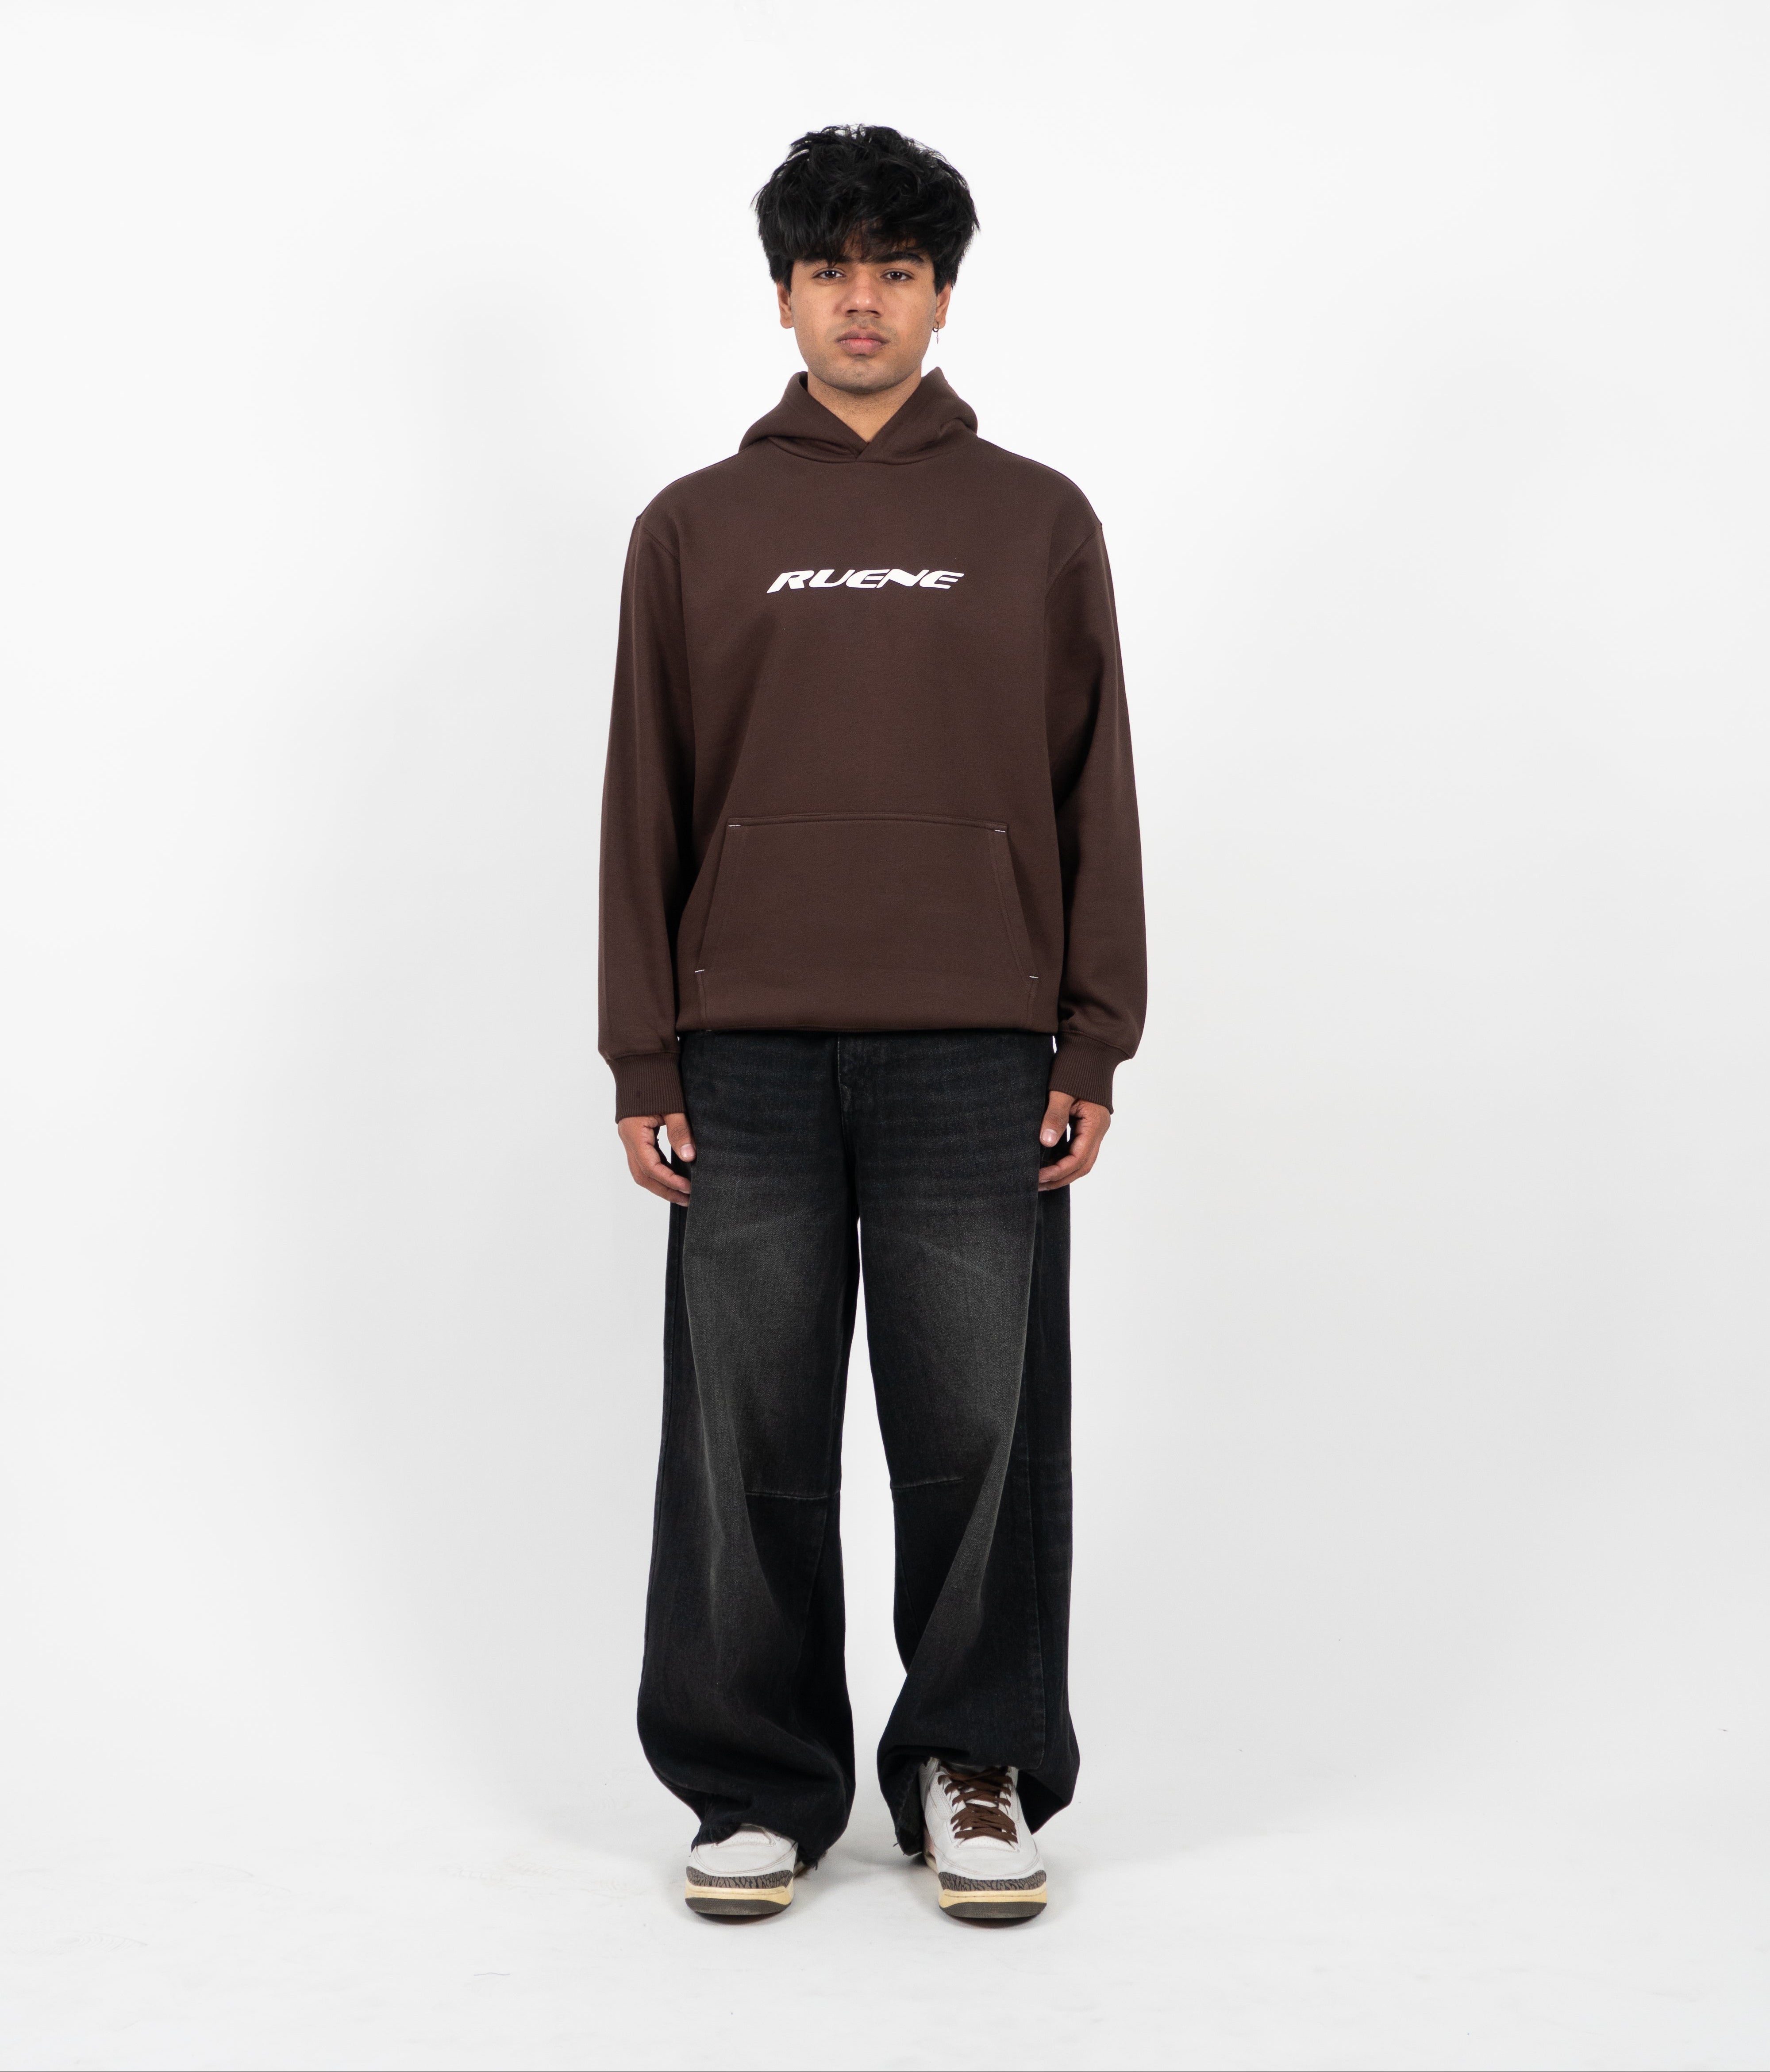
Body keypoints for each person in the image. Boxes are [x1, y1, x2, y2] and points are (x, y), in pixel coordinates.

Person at [598, 123, 1145, 1924]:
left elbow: (1095, 791)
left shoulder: (1036, 521)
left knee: (981, 1433)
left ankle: (973, 1763)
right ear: (782, 297)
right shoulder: (695, 527)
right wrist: (643, 1051)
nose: (861, 299)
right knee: (743, 1434)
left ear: (941, 296)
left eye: (894, 270)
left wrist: (1091, 1037)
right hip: (743, 1052)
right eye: (829, 269)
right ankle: (755, 1782)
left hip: (977, 1049)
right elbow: (645, 799)